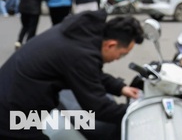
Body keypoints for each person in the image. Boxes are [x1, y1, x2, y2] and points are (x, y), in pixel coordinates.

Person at [0, 11, 144, 140]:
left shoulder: (80, 36)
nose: (119, 58)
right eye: (123, 54)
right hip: (14, 113)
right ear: (111, 45)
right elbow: (99, 108)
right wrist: (138, 111)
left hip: (18, 99)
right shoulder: (81, 54)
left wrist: (121, 88)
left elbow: (91, 74)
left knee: (80, 121)